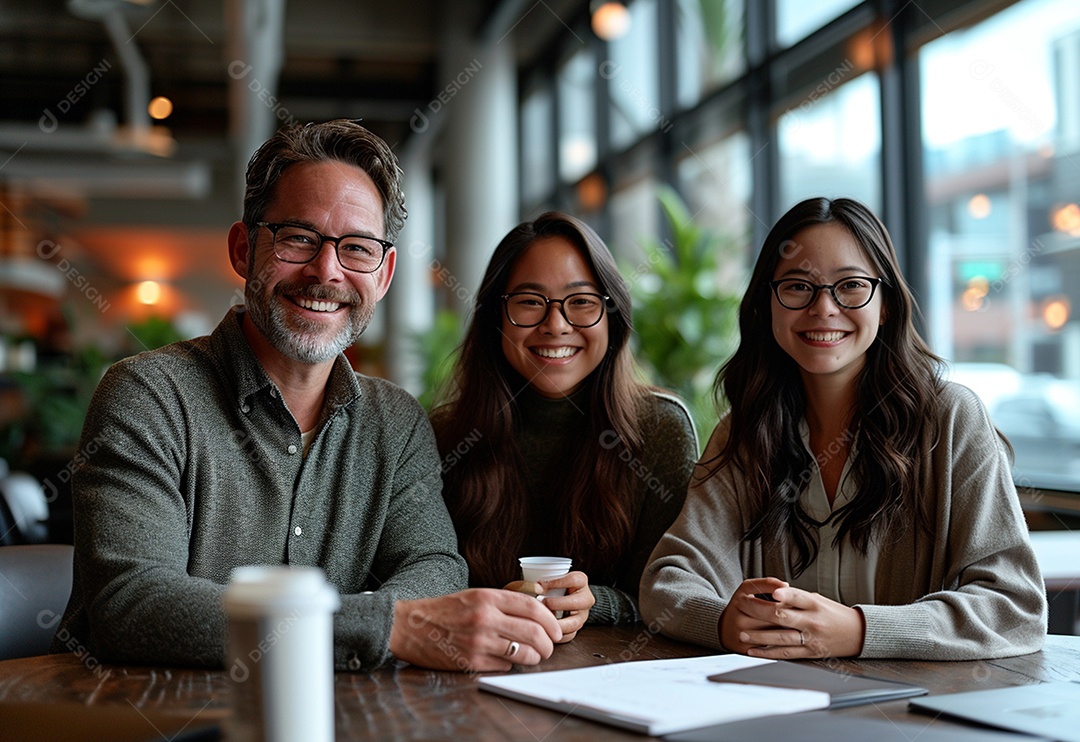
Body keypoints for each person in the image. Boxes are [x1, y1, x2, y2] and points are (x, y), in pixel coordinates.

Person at [52, 120, 561, 673]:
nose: (326, 271)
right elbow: (134, 605)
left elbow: (433, 566)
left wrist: (357, 626)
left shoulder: (397, 422)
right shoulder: (146, 397)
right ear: (244, 250)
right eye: (298, 237)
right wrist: (384, 625)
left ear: (385, 275)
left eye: (358, 248)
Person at [640, 197, 1047, 661]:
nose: (824, 308)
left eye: (850, 286)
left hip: (918, 717)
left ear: (886, 304)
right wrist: (720, 622)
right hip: (774, 712)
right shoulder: (744, 435)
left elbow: (1015, 606)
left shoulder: (951, 420)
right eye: (797, 287)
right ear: (767, 304)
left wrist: (858, 629)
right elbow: (666, 582)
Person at [430, 212, 697, 637]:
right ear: (496, 317)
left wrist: (594, 604)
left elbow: (668, 594)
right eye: (530, 302)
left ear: (612, 314)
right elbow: (423, 587)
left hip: (612, 679)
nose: (555, 325)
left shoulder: (660, 429)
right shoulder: (446, 437)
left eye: (582, 302)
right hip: (478, 670)